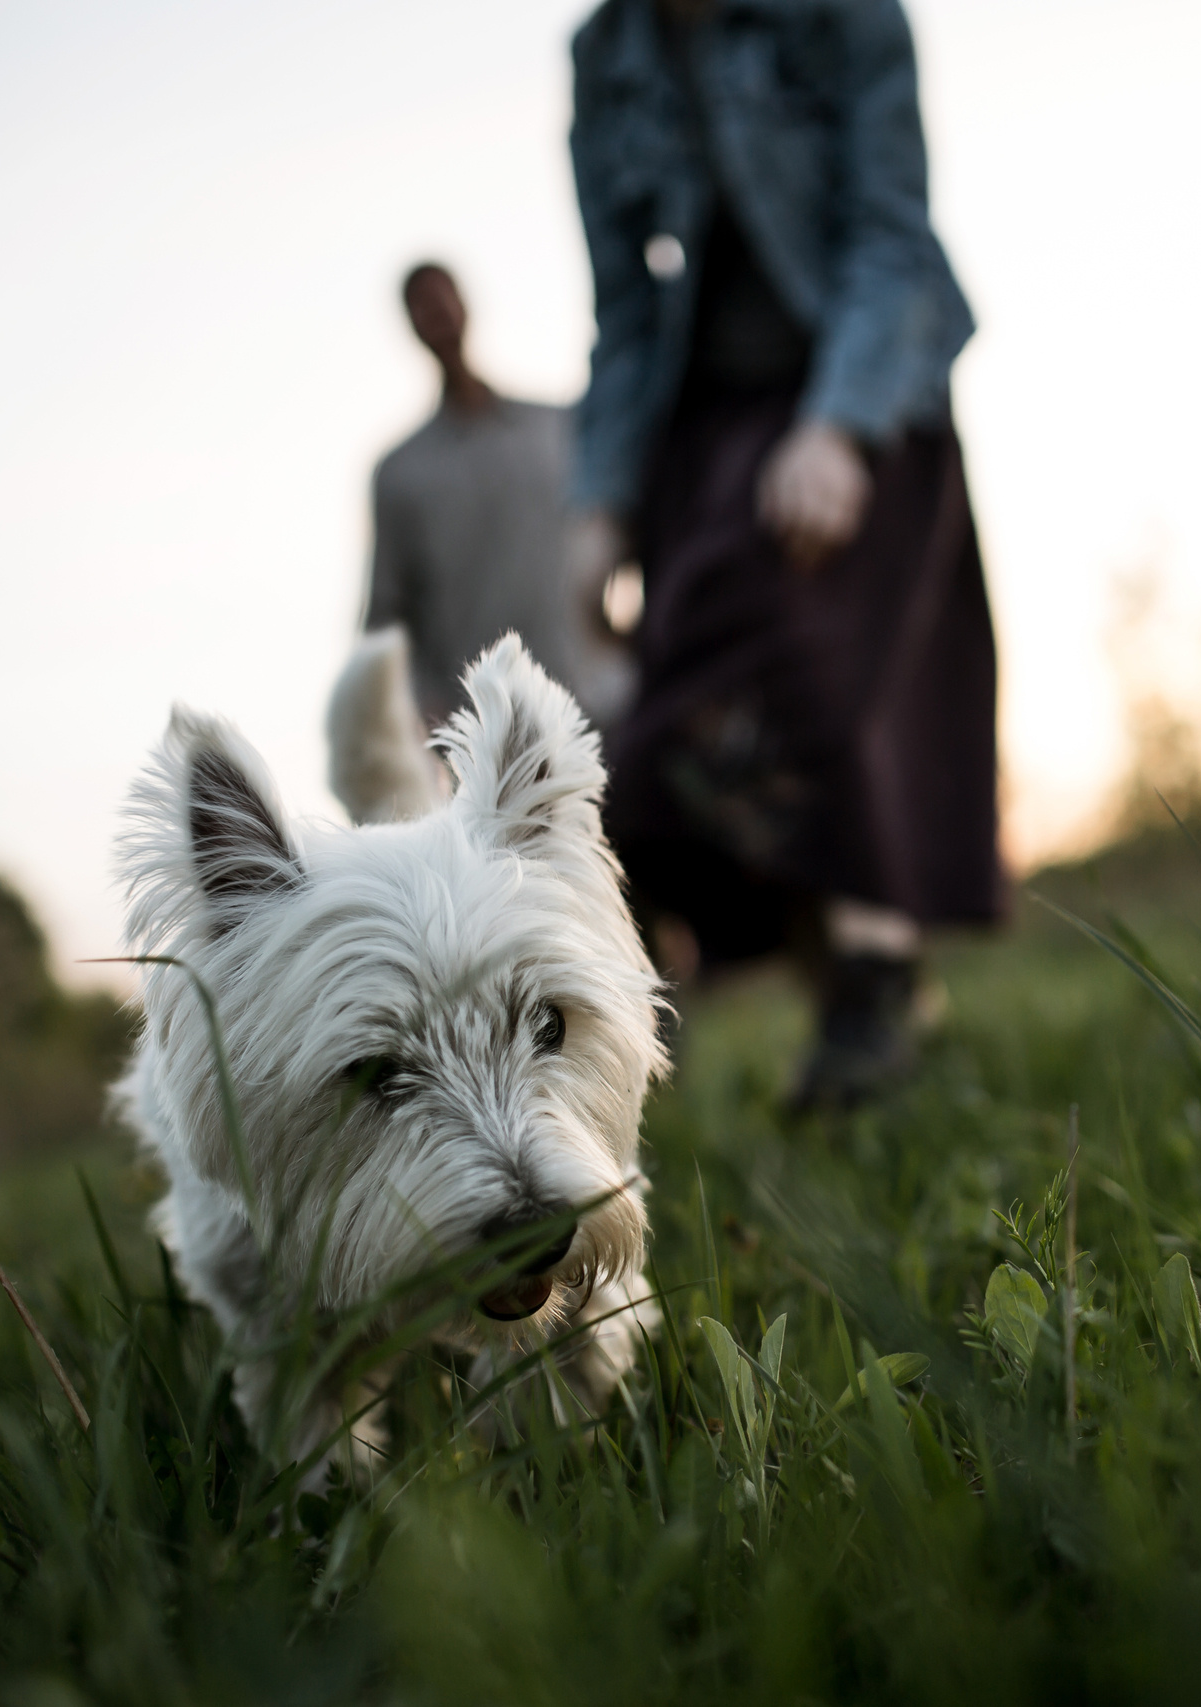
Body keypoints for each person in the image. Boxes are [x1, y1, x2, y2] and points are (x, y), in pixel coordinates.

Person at [568, 0, 1003, 1108]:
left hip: (859, 393)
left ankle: (872, 980)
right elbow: (624, 310)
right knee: (677, 742)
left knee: (816, 681)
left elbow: (889, 231)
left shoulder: (845, 15)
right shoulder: (606, 55)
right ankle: (865, 990)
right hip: (702, 441)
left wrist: (838, 427)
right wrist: (600, 504)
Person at [365, 262, 632, 731]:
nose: (437, 314)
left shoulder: (558, 426)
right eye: (422, 305)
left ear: (464, 303)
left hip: (599, 702)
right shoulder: (401, 474)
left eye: (442, 296)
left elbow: (619, 528)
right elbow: (386, 620)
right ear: (411, 326)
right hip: (490, 738)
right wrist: (420, 711)